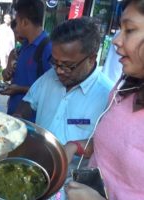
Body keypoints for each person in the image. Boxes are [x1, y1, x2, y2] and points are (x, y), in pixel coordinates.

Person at [65, 0, 144, 199]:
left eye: (130, 30)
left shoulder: (103, 87)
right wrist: (75, 145)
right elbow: (111, 142)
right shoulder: (123, 89)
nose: (116, 40)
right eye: (120, 28)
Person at [14, 17, 113, 145]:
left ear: (91, 59)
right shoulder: (49, 77)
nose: (59, 71)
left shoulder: (108, 97)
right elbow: (29, 101)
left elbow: (105, 145)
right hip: (39, 158)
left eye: (68, 65)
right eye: (55, 62)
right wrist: (18, 117)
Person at [0, 0, 52, 122]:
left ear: (25, 22)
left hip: (31, 121)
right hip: (14, 114)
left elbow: (49, 91)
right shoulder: (25, 45)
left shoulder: (48, 48)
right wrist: (9, 73)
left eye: (17, 22)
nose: (15, 27)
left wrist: (19, 89)